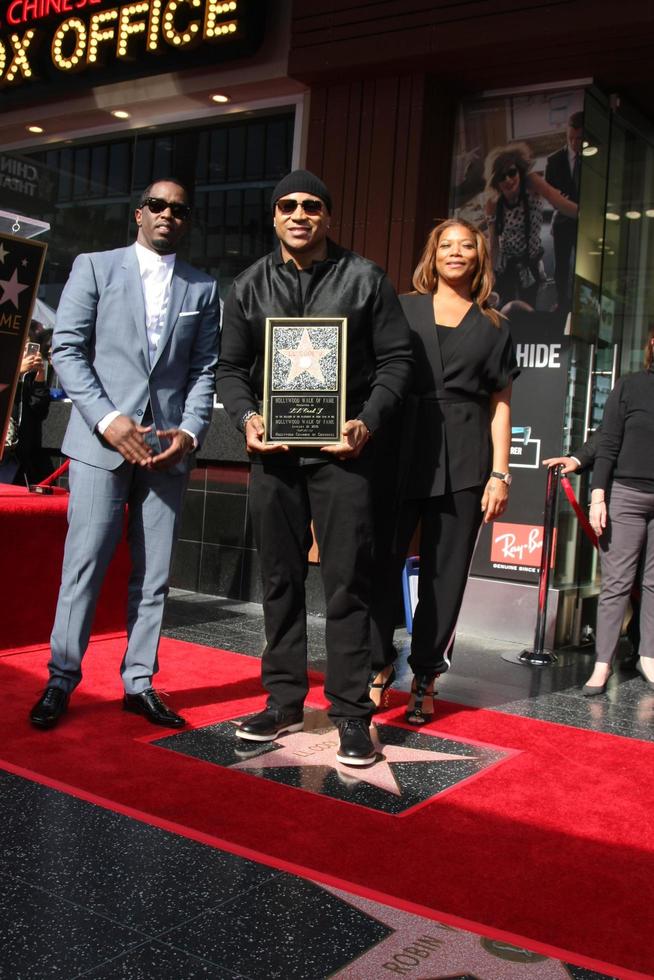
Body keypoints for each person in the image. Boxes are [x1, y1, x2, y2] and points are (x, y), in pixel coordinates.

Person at [216, 169, 412, 765]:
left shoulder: (365, 279)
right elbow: (229, 369)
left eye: (311, 205)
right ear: (274, 218)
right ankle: (283, 701)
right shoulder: (248, 286)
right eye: (287, 206)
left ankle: (352, 711)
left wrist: (366, 422)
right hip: (273, 458)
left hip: (341, 457)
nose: (299, 214)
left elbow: (397, 361)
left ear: (327, 216)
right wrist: (248, 418)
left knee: (348, 581)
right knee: (278, 578)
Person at [29, 178, 220, 730]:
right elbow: (66, 347)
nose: (168, 215)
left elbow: (204, 369)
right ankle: (61, 678)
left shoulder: (203, 287)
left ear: (187, 221)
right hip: (99, 444)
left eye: (180, 210)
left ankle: (139, 683)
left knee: (154, 575)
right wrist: (108, 421)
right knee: (83, 567)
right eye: (158, 206)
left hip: (167, 451)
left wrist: (190, 430)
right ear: (139, 213)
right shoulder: (94, 266)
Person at [369, 218, 519, 724]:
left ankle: (427, 675)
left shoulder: (495, 325)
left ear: (479, 258)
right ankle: (378, 665)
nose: (456, 253)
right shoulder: (401, 307)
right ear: (432, 256)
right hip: (397, 449)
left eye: (466, 246)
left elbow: (500, 403)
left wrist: (500, 473)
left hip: (465, 458)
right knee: (380, 564)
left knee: (445, 576)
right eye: (446, 246)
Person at [582, 329, 654, 696]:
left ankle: (649, 657)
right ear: (652, 343)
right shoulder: (629, 387)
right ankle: (602, 664)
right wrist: (598, 496)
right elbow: (607, 442)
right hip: (626, 494)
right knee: (617, 584)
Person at [485, 142, 578, 308]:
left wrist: (586, 215)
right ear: (495, 181)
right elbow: (493, 242)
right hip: (506, 263)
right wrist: (490, 272)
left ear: (519, 171)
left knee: (528, 305)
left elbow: (561, 203)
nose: (508, 179)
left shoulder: (531, 183)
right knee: (505, 305)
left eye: (512, 173)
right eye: (501, 177)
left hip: (530, 261)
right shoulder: (492, 202)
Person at [545, 111, 583, 312]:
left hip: (584, 221)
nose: (575, 143)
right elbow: (548, 189)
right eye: (571, 138)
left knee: (583, 264)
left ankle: (582, 304)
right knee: (561, 264)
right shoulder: (554, 160)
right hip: (562, 220)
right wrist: (559, 199)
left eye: (579, 139)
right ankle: (562, 301)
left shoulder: (594, 157)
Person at [0, 333, 50, 486]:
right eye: (22, 347)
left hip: (23, 455)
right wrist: (17, 372)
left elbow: (40, 410)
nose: (26, 352)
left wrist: (40, 374)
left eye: (29, 347)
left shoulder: (30, 376)